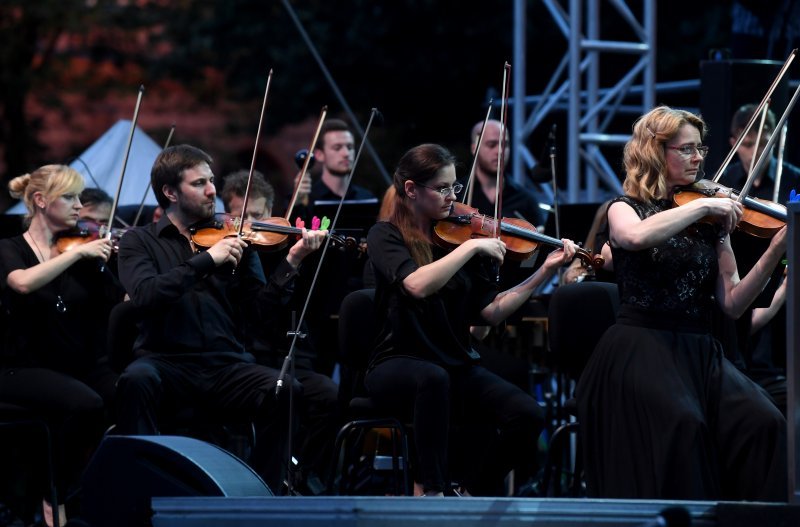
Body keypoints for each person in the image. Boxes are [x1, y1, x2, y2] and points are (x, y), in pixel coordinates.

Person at [576, 106, 787, 501]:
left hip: (699, 351)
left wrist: (777, 248)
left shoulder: (711, 222)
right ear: (657, 153)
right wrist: (703, 205)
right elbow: (636, 238)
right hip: (641, 346)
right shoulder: (624, 208)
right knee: (684, 425)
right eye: (686, 149)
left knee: (764, 422)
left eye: (700, 149)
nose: (698, 158)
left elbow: (734, 302)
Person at [365, 143, 577, 496]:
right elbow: (416, 285)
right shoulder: (386, 236)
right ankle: (432, 491)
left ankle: (468, 492)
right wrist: (471, 249)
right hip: (398, 360)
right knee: (432, 379)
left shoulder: (457, 237)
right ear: (411, 190)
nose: (452, 197)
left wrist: (544, 270)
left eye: (455, 186)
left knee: (528, 414)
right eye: (443, 188)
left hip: (453, 361)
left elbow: (490, 313)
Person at [114, 145, 324, 494]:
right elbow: (146, 295)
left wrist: (292, 263)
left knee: (286, 390)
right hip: (165, 362)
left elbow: (260, 314)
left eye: (211, 180)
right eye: (199, 183)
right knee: (135, 380)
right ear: (170, 192)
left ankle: (257, 493)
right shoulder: (140, 241)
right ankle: (145, 494)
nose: (213, 190)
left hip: (225, 365)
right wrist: (206, 261)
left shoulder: (235, 238)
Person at [0, 165, 122, 526]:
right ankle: (54, 491)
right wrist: (75, 256)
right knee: (87, 404)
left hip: (73, 366)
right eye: (70, 197)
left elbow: (121, 299)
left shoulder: (81, 247)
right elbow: (22, 284)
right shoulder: (10, 248)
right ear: (40, 200)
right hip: (19, 367)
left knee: (127, 391)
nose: (79, 205)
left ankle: (103, 495)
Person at [220, 169, 339, 493]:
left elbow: (316, 302)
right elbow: (258, 314)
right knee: (282, 393)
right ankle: (262, 480)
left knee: (330, 395)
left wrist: (302, 258)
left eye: (258, 216)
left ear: (273, 214)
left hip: (289, 356)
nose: (251, 226)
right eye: (241, 216)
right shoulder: (226, 257)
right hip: (247, 359)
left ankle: (304, 474)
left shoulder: (282, 247)